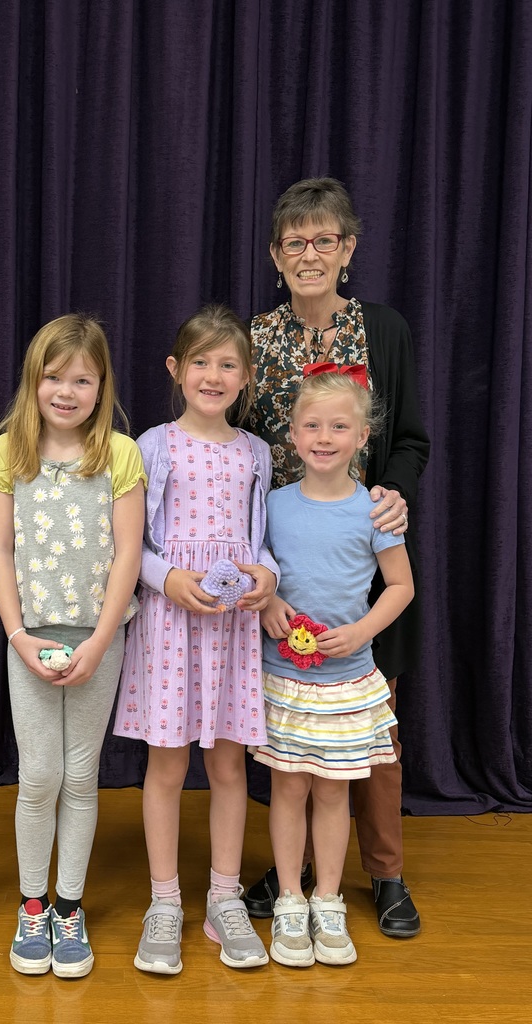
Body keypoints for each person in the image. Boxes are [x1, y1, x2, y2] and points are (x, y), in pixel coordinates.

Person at [243, 177, 430, 939]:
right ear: (277, 255)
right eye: (296, 242)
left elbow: (411, 437)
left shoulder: (383, 330)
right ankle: (291, 875)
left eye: (325, 240)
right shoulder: (256, 339)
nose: (310, 253)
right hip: (278, 559)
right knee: (284, 732)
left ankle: (383, 871)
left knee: (368, 723)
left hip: (358, 548)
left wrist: (391, 494)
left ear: (348, 250)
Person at [114, 305, 277, 975]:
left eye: (228, 364)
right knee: (168, 764)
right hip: (171, 620)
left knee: (232, 764)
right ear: (177, 370)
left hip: (233, 625)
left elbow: (260, 535)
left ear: (246, 378)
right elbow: (132, 541)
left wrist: (267, 573)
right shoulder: (151, 445)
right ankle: (164, 901)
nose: (214, 375)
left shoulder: (257, 452)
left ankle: (224, 896)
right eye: (201, 362)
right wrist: (166, 578)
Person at [0, 313, 145, 980]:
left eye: (82, 378)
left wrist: (103, 638)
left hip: (97, 638)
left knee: (81, 776)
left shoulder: (119, 453)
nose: (67, 390)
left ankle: (68, 907)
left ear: (101, 383)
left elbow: (130, 552)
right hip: (31, 637)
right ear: (35, 379)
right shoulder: (7, 453)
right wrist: (18, 634)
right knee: (40, 775)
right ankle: (32, 903)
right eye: (55, 377)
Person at [255, 370, 414, 966]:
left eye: (339, 427)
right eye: (313, 425)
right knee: (288, 790)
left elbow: (400, 586)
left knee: (333, 795)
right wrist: (269, 602)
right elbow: (256, 569)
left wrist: (362, 631)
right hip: (285, 679)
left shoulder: (374, 512)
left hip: (347, 682)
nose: (325, 437)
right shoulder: (272, 506)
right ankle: (291, 900)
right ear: (292, 435)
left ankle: (328, 899)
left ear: (361, 436)